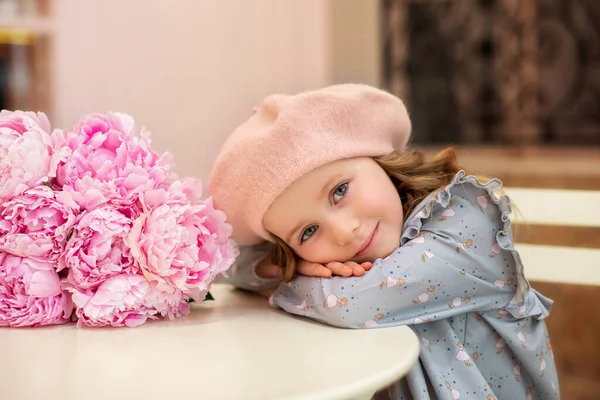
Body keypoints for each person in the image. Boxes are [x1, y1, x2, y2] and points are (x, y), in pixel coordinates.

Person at [208, 84, 560, 399]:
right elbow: (231, 267)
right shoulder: (312, 258)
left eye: (339, 191)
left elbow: (350, 304)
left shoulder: (467, 220)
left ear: (378, 158)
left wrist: (286, 279)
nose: (344, 232)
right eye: (308, 232)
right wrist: (292, 262)